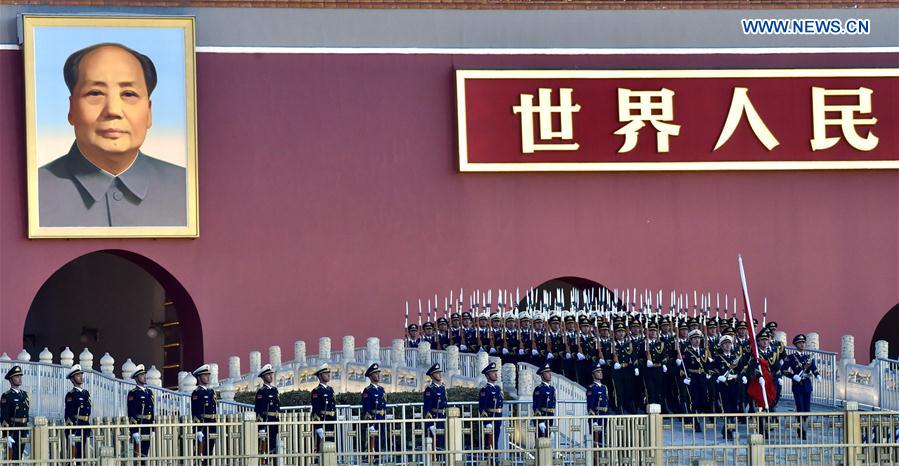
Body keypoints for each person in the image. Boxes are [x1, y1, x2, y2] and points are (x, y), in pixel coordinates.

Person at [38, 42, 187, 227]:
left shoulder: (187, 188)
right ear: (71, 109)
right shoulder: (34, 190)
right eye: (95, 93)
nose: (113, 110)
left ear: (149, 113)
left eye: (129, 94)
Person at [783, 334, 820, 439]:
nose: (802, 344)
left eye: (803, 342)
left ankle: (805, 428)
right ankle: (801, 430)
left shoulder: (808, 357)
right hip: (798, 385)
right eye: (800, 343)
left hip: (807, 385)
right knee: (800, 408)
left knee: (807, 409)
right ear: (795, 344)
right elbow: (783, 370)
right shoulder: (790, 358)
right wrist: (793, 376)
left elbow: (813, 368)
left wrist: (818, 375)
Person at [712, 335, 747, 440]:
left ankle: (729, 428)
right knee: (726, 408)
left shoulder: (735, 357)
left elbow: (741, 369)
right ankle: (728, 430)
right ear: (722, 345)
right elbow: (711, 370)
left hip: (735, 384)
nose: (728, 345)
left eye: (729, 343)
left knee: (734, 407)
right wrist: (718, 377)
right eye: (725, 344)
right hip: (724, 386)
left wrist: (743, 376)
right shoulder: (718, 358)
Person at [127, 364, 154, 464]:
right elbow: (131, 413)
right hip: (139, 425)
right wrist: (134, 430)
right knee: (138, 455)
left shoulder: (149, 392)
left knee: (145, 453)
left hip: (147, 425)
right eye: (142, 375)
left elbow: (152, 410)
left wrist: (153, 427)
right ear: (136, 377)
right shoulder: (133, 393)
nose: (145, 376)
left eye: (144, 374)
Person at [64, 364, 92, 461]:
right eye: (77, 375)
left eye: (81, 374)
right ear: (72, 379)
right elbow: (68, 413)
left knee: (83, 455)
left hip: (85, 425)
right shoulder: (71, 394)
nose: (80, 377)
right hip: (76, 426)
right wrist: (70, 430)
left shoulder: (85, 393)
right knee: (74, 456)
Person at [190, 364, 217, 464]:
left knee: (209, 452)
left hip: (212, 424)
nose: (207, 377)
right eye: (205, 375)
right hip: (203, 425)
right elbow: (195, 412)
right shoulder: (197, 393)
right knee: (201, 453)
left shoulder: (211, 392)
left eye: (208, 375)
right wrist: (198, 429)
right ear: (199, 377)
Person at [1, 366, 29, 461]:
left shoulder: (24, 394)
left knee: (20, 456)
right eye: (17, 376)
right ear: (11, 379)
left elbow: (26, 412)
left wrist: (27, 428)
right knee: (12, 457)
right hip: (14, 430)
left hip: (23, 428)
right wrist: (6, 434)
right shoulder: (7, 395)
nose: (20, 378)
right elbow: (4, 416)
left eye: (20, 376)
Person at [682, 330, 708, 432]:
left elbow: (706, 365)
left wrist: (708, 372)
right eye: (695, 339)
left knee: (703, 398)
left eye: (698, 338)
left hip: (702, 377)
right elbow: (684, 366)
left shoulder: (703, 352)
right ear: (691, 340)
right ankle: (695, 422)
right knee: (694, 399)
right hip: (692, 377)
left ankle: (702, 419)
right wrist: (685, 376)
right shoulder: (687, 352)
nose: (697, 340)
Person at [254, 364, 280, 463]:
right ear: (263, 377)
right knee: (265, 447)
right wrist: (261, 428)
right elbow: (258, 410)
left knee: (274, 446)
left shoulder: (274, 390)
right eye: (268, 374)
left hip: (275, 421)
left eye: (271, 374)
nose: (270, 376)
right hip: (266, 421)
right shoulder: (261, 391)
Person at [362, 363, 387, 460]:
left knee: (381, 440)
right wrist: (370, 423)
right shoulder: (368, 390)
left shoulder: (381, 389)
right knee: (373, 442)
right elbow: (367, 408)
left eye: (378, 373)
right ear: (371, 376)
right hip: (374, 419)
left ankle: (378, 458)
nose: (378, 375)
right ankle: (370, 459)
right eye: (376, 373)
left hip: (381, 418)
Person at [586, 363, 609, 464]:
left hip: (604, 416)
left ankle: (601, 461)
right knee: (596, 442)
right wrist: (594, 420)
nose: (600, 373)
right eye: (598, 372)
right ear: (593, 374)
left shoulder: (604, 387)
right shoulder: (591, 388)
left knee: (602, 441)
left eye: (601, 371)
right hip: (597, 417)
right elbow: (590, 406)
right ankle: (596, 462)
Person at [478, 362, 503, 452]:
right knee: (489, 443)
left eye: (496, 372)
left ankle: (495, 461)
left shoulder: (497, 388)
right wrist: (487, 422)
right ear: (487, 376)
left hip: (497, 418)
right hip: (490, 418)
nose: (496, 374)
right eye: (493, 372)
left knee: (495, 441)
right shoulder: (485, 390)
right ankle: (489, 461)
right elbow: (482, 408)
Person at [311, 364, 336, 450]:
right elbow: (316, 409)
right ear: (320, 376)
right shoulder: (316, 391)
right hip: (323, 420)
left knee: (331, 445)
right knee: (322, 447)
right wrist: (318, 427)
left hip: (331, 420)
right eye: (325, 373)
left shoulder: (330, 389)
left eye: (328, 373)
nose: (328, 375)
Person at [423, 363, 448, 449]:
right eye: (437, 373)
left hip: (443, 417)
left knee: (444, 442)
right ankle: (435, 461)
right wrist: (430, 424)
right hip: (435, 418)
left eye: (440, 372)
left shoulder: (442, 388)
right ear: (432, 375)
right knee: (436, 443)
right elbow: (427, 407)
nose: (440, 375)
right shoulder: (430, 389)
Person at [533, 363, 556, 439]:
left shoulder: (552, 389)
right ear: (542, 375)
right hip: (543, 416)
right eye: (547, 372)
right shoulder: (539, 389)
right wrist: (540, 421)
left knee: (547, 441)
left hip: (550, 416)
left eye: (550, 372)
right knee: (541, 442)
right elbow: (536, 407)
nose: (549, 374)